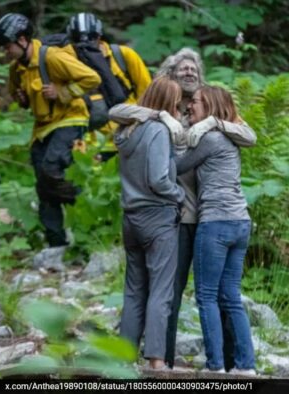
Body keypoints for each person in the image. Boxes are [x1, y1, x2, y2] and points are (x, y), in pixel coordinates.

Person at [109, 48, 257, 369]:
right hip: (175, 215)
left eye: (194, 68)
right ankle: (166, 360)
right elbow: (118, 111)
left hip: (208, 216)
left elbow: (248, 134)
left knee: (216, 293)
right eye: (182, 69)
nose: (189, 72)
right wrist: (160, 115)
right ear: (171, 77)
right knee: (170, 292)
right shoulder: (163, 113)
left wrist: (213, 123)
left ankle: (233, 363)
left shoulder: (208, 110)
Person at [0, 13, 101, 249]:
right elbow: (17, 95)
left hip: (70, 119)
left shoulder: (52, 57)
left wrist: (62, 92)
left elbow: (91, 78)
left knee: (51, 168)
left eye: (8, 46)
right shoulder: (16, 69)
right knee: (43, 185)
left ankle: (83, 203)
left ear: (22, 40)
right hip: (41, 128)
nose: (5, 52)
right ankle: (56, 243)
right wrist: (21, 99)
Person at [175, 86, 255, 375]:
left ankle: (215, 367)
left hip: (216, 222)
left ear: (209, 105)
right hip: (240, 222)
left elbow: (178, 167)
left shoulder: (209, 138)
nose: (189, 107)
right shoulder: (230, 136)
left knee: (207, 296)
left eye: (194, 102)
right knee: (231, 296)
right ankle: (246, 367)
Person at [115, 76, 185, 370]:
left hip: (130, 218)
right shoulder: (157, 130)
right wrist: (178, 193)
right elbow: (158, 179)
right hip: (158, 217)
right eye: (178, 103)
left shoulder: (126, 131)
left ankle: (123, 358)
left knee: (134, 290)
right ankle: (156, 361)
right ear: (170, 103)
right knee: (161, 290)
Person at [66, 12, 151, 160]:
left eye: (92, 38)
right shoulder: (65, 64)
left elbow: (149, 95)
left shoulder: (123, 56)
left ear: (99, 36)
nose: (85, 45)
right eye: (77, 40)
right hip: (88, 146)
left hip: (128, 138)